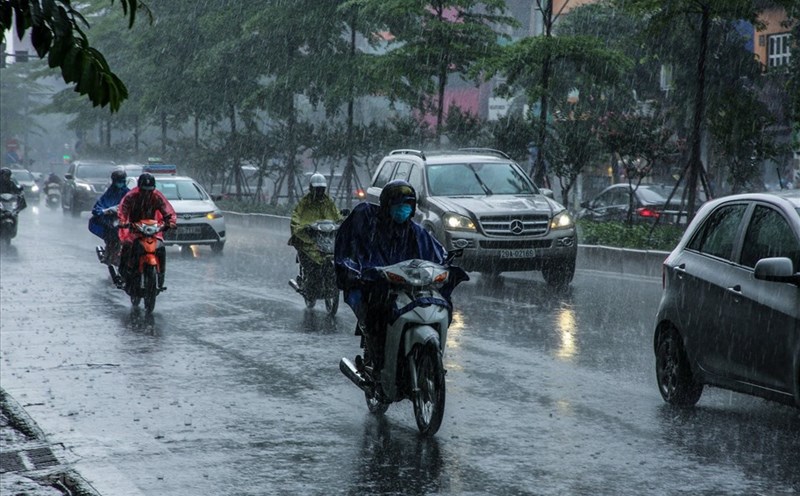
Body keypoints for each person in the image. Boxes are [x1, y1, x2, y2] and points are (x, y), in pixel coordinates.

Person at [334, 180, 465, 380]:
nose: (402, 210)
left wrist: (448, 266)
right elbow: (351, 255)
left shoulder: (416, 233)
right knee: (377, 318)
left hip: (410, 288)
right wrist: (357, 272)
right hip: (380, 287)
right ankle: (379, 365)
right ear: (386, 206)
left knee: (441, 305)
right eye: (398, 205)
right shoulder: (371, 228)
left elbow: (437, 255)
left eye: (407, 205)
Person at [117, 173, 176, 290]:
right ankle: (123, 275)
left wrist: (171, 222)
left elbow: (167, 211)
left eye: (150, 190)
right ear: (139, 188)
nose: (147, 193)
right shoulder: (131, 197)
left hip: (152, 230)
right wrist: (122, 221)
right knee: (127, 248)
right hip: (135, 230)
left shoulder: (157, 197)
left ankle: (161, 276)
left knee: (161, 249)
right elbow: (123, 210)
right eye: (144, 190)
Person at [288, 173, 342, 288]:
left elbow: (336, 214)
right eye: (317, 189)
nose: (319, 192)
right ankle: (308, 281)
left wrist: (342, 221)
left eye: (321, 189)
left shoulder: (328, 202)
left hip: (325, 236)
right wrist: (300, 226)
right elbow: (296, 216)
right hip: (310, 236)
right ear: (312, 189)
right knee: (309, 255)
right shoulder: (305, 202)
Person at [88, 169, 130, 284]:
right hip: (113, 224)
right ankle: (110, 257)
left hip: (127, 224)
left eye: (122, 181)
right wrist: (105, 211)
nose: (120, 183)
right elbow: (98, 207)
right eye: (118, 181)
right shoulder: (109, 194)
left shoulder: (129, 194)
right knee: (112, 239)